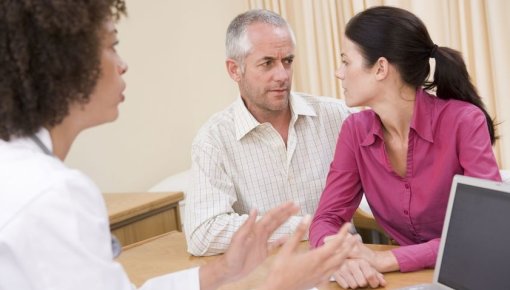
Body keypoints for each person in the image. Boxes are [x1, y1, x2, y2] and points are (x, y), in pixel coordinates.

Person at [0, 1, 357, 289]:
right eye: (112, 47)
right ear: (68, 65)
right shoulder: (53, 195)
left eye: (287, 61)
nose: (123, 65)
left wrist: (220, 273)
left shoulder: (26, 175)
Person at [308, 6, 501, 289]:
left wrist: (389, 259)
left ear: (380, 68)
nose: (339, 73)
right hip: (411, 281)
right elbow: (326, 218)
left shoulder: (463, 121)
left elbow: (484, 231)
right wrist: (341, 258)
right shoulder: (354, 131)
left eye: (346, 61)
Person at [185, 9, 352, 256]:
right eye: (267, 63)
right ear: (234, 70)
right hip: (269, 275)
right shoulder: (213, 140)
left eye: (288, 61)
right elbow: (203, 232)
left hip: (345, 262)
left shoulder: (337, 116)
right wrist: (307, 227)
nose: (282, 75)